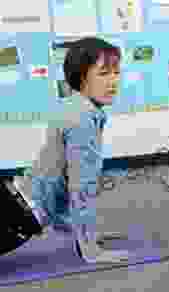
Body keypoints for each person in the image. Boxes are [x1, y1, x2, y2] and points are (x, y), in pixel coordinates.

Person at [0, 37, 129, 263]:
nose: (113, 82)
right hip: (16, 217)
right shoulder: (83, 118)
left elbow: (58, 179)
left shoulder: (72, 105)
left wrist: (84, 234)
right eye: (103, 73)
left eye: (116, 73)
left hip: (14, 203)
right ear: (81, 76)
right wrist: (90, 249)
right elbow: (81, 189)